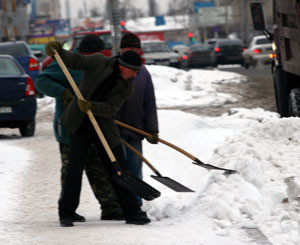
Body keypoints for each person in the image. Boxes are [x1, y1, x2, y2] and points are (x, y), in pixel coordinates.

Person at [45, 40, 151, 227]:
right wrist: (58, 52)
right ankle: (66, 213)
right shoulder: (99, 62)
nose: (134, 75)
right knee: (74, 169)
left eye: (136, 72)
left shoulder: (127, 86)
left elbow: (110, 108)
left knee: (118, 169)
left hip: (103, 127)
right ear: (122, 66)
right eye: (132, 71)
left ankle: (133, 212)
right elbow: (76, 60)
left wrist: (92, 106)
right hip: (79, 124)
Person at [35, 35, 124, 225]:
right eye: (91, 54)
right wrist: (64, 93)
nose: (95, 57)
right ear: (83, 53)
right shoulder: (65, 66)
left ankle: (110, 208)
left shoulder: (103, 65)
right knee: (71, 172)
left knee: (99, 168)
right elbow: (42, 82)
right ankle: (68, 211)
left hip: (97, 126)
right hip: (70, 129)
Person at [116, 33, 159, 205]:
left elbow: (150, 102)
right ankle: (122, 206)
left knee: (135, 169)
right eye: (129, 48)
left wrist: (152, 129)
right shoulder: (113, 67)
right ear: (121, 49)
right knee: (120, 171)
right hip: (114, 130)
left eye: (136, 48)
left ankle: (136, 204)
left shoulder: (144, 72)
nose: (133, 51)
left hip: (135, 129)